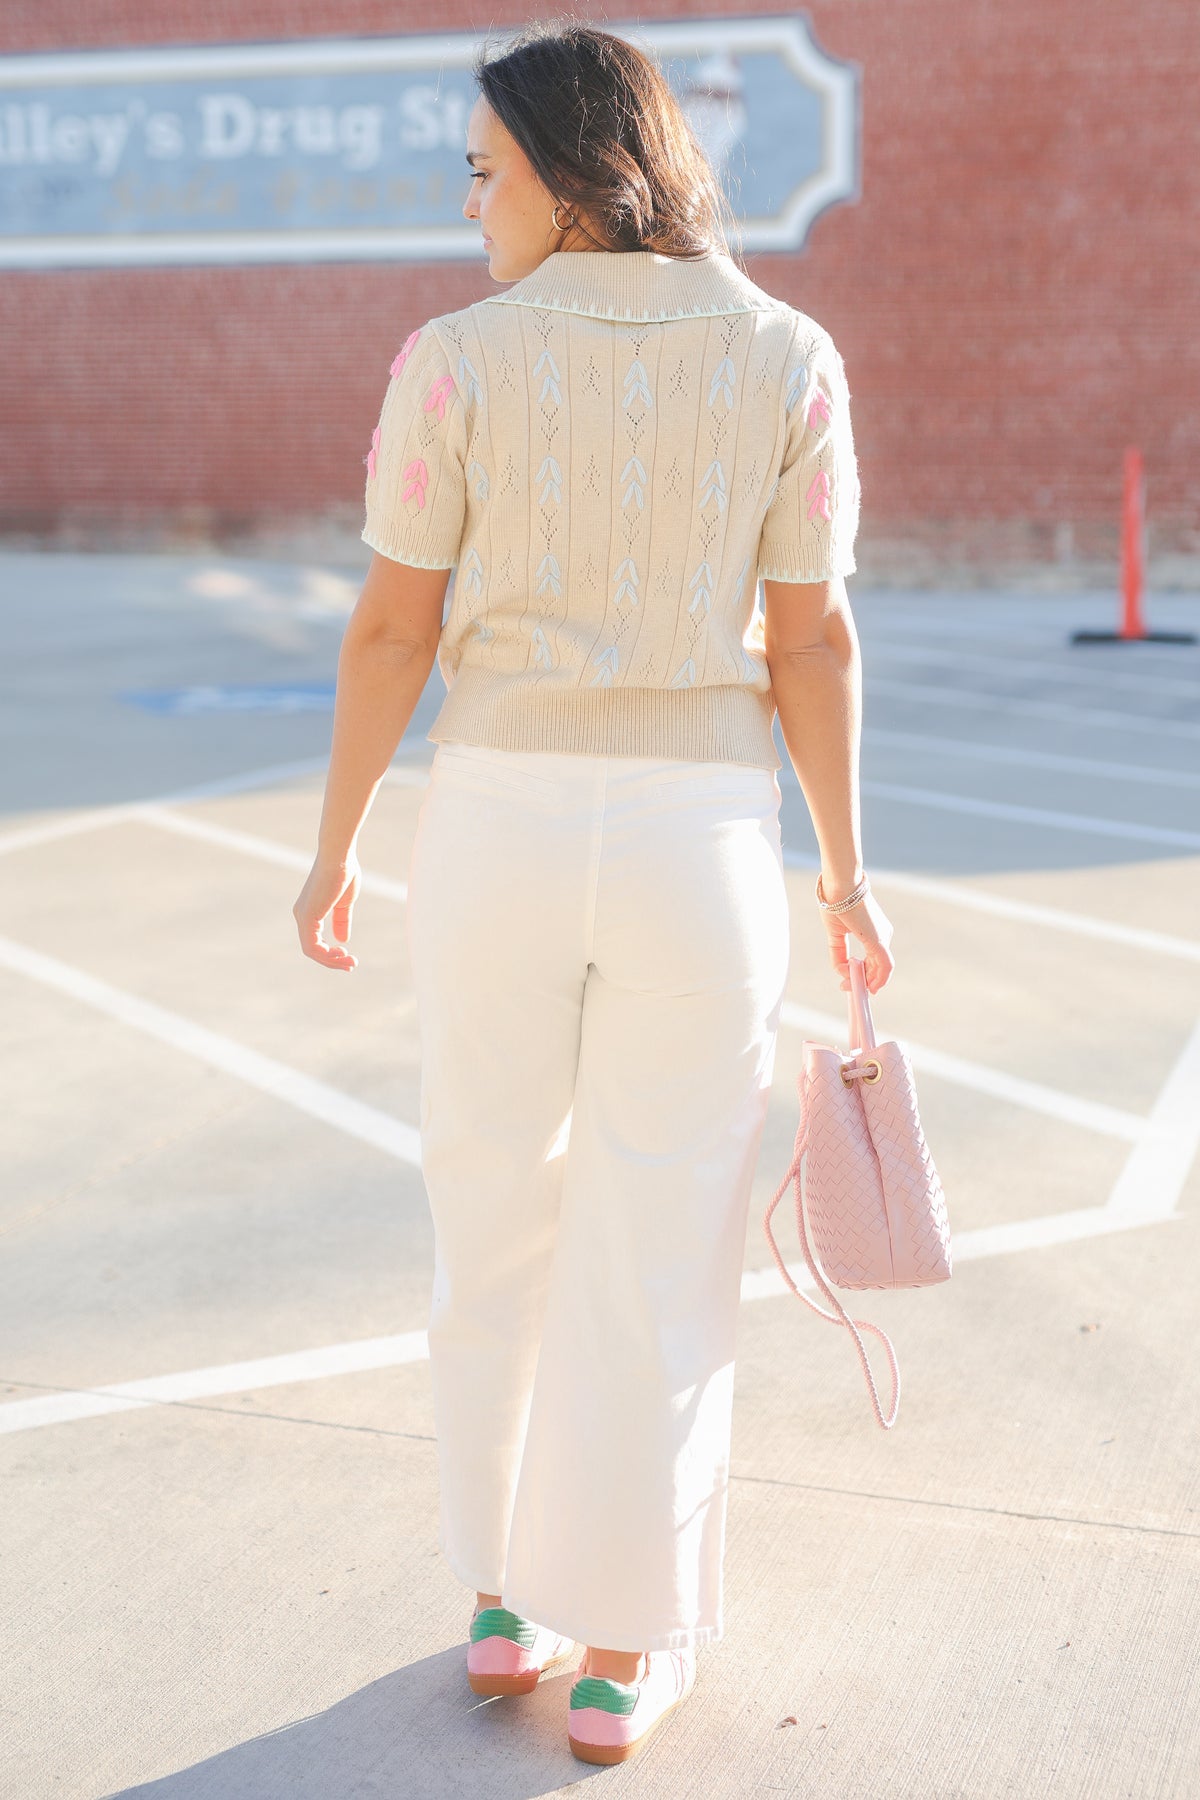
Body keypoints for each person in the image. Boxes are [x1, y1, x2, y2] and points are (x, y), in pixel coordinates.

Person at [293, 19, 894, 1768]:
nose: (468, 201)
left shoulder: (454, 360)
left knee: (492, 1215)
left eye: (484, 170)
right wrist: (850, 875)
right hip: (703, 838)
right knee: (663, 1242)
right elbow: (817, 637)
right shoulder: (788, 350)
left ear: (565, 175)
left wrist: (333, 844)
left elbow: (395, 625)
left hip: (496, 825)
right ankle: (627, 1640)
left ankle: (506, 1601)